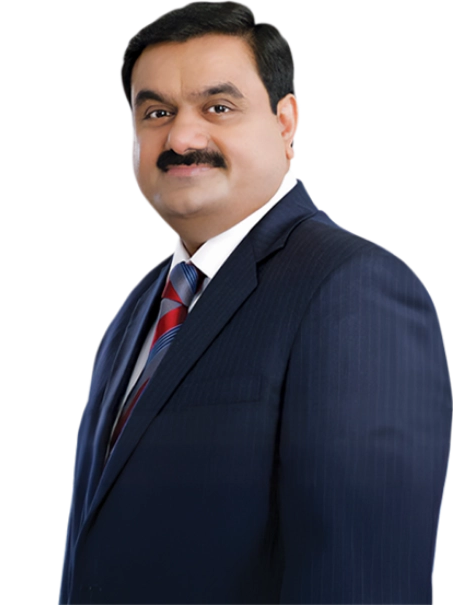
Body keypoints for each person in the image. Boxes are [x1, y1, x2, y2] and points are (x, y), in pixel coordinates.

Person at [58, 2, 452, 604]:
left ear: (286, 121)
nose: (182, 138)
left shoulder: (354, 289)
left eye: (218, 107)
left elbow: (362, 579)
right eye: (157, 112)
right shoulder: (145, 302)